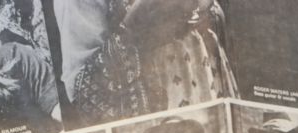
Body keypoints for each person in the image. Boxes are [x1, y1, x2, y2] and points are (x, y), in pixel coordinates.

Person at [53, 0, 237, 125]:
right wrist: (134, 27)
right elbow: (83, 90)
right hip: (162, 100)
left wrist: (205, 11)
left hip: (206, 77)